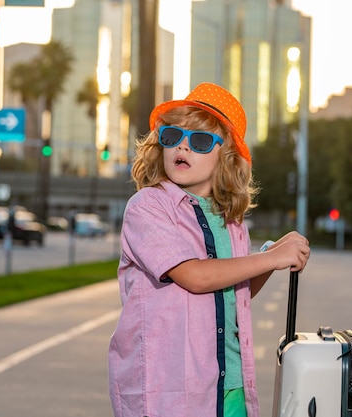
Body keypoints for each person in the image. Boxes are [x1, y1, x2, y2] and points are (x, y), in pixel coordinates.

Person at [108, 82, 311, 417]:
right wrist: (269, 258)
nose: (182, 148)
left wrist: (271, 257)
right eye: (172, 136)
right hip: (167, 388)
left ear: (226, 157)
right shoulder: (148, 207)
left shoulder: (232, 223)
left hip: (227, 383)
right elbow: (194, 276)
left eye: (200, 141)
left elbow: (236, 293)